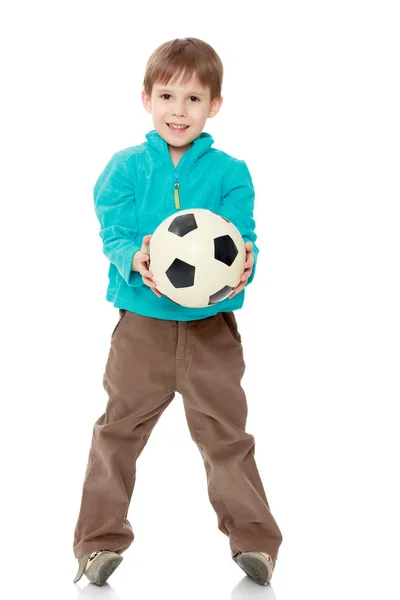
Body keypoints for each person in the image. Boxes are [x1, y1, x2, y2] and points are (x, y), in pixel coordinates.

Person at [72, 37, 283, 588]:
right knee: (117, 433)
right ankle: (96, 546)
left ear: (215, 104)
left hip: (212, 331)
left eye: (194, 98)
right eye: (167, 95)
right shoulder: (124, 169)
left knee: (227, 438)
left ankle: (256, 544)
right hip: (142, 328)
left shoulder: (230, 172)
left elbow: (242, 241)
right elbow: (113, 233)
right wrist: (133, 258)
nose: (179, 110)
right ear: (146, 99)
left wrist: (246, 264)